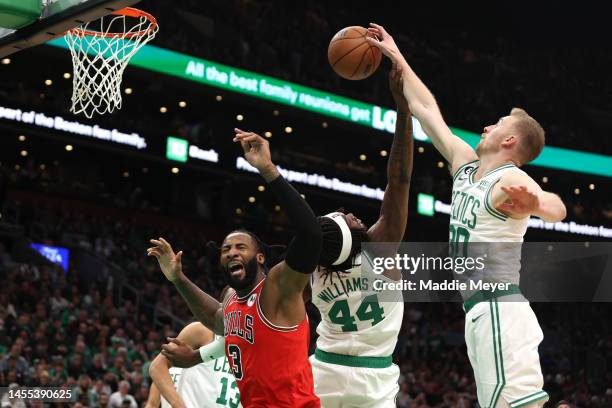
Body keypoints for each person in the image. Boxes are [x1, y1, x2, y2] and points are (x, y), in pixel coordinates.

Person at [367, 23, 567, 408]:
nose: (487, 125)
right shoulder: (465, 164)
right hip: (478, 310)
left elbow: (557, 207)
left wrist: (536, 206)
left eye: (498, 124)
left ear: (509, 141)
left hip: (499, 306)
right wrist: (397, 55)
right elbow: (427, 111)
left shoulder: (509, 178)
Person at [147, 130, 322, 407]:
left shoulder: (277, 287)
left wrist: (268, 170)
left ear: (261, 258)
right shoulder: (232, 302)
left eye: (241, 247)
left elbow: (311, 234)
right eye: (226, 249)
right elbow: (215, 317)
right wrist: (178, 278)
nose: (231, 253)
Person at [308, 63, 413, 407]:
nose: (352, 214)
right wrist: (402, 109)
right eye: (346, 217)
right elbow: (398, 179)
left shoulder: (313, 267)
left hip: (323, 370)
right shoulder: (379, 250)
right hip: (374, 380)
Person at [145, 288, 240, 408]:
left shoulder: (253, 347)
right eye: (233, 299)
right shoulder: (203, 332)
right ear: (220, 307)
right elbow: (157, 367)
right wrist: (178, 405)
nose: (238, 304)